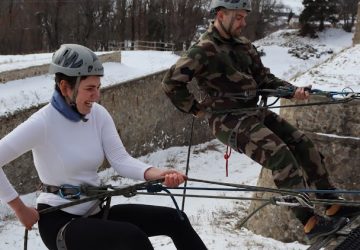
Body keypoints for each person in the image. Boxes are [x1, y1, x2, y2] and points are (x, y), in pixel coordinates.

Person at [162, 0, 358, 241]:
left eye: (244, 17)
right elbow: (171, 83)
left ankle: (332, 204)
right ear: (221, 15)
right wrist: (196, 109)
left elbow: (264, 79)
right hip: (228, 120)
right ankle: (310, 223)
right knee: (280, 155)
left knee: (303, 144)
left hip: (253, 112)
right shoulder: (203, 49)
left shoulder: (244, 46)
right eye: (238, 18)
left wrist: (291, 90)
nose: (243, 23)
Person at [0, 44, 207, 250]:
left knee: (175, 219)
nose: (96, 95)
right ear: (65, 87)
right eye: (89, 89)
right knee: (132, 239)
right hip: (60, 221)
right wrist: (19, 208)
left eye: (98, 87)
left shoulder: (97, 115)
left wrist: (159, 174)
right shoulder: (42, 123)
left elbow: (121, 160)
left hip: (97, 211)